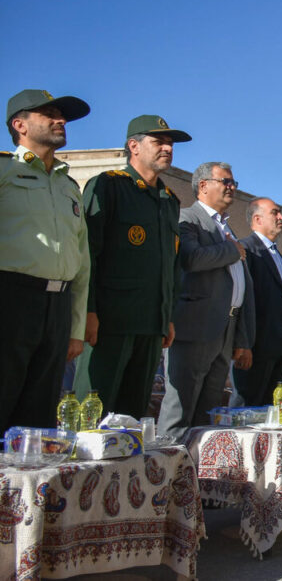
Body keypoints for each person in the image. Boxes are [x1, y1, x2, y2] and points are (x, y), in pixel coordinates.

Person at [82, 115, 191, 419]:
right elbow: (88, 253)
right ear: (134, 146)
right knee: (94, 412)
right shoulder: (109, 185)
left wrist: (166, 317)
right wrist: (87, 310)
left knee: (131, 417)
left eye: (170, 143)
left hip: (151, 326)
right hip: (110, 321)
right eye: (159, 141)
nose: (167, 148)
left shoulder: (169, 200)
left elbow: (171, 266)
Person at [0, 89, 91, 432]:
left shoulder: (68, 185)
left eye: (61, 115)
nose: (60, 120)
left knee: (38, 419)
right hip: (11, 299)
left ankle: (28, 486)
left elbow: (81, 260)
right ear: (19, 124)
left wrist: (75, 327)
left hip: (57, 304)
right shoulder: (5, 171)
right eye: (48, 114)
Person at [158, 162, 254, 440]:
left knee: (209, 415)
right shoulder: (187, 218)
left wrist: (241, 337)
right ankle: (168, 474)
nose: (232, 187)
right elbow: (190, 258)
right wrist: (230, 250)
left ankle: (200, 477)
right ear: (203, 186)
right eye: (226, 181)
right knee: (180, 411)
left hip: (225, 329)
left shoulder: (227, 228)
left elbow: (241, 286)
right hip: (195, 328)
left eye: (234, 182)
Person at [233, 198, 282, 407]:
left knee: (270, 411)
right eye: (275, 213)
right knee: (249, 406)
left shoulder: (277, 254)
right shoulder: (247, 249)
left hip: (278, 343)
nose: (281, 217)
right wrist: (244, 343)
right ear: (257, 218)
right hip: (257, 345)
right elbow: (242, 298)